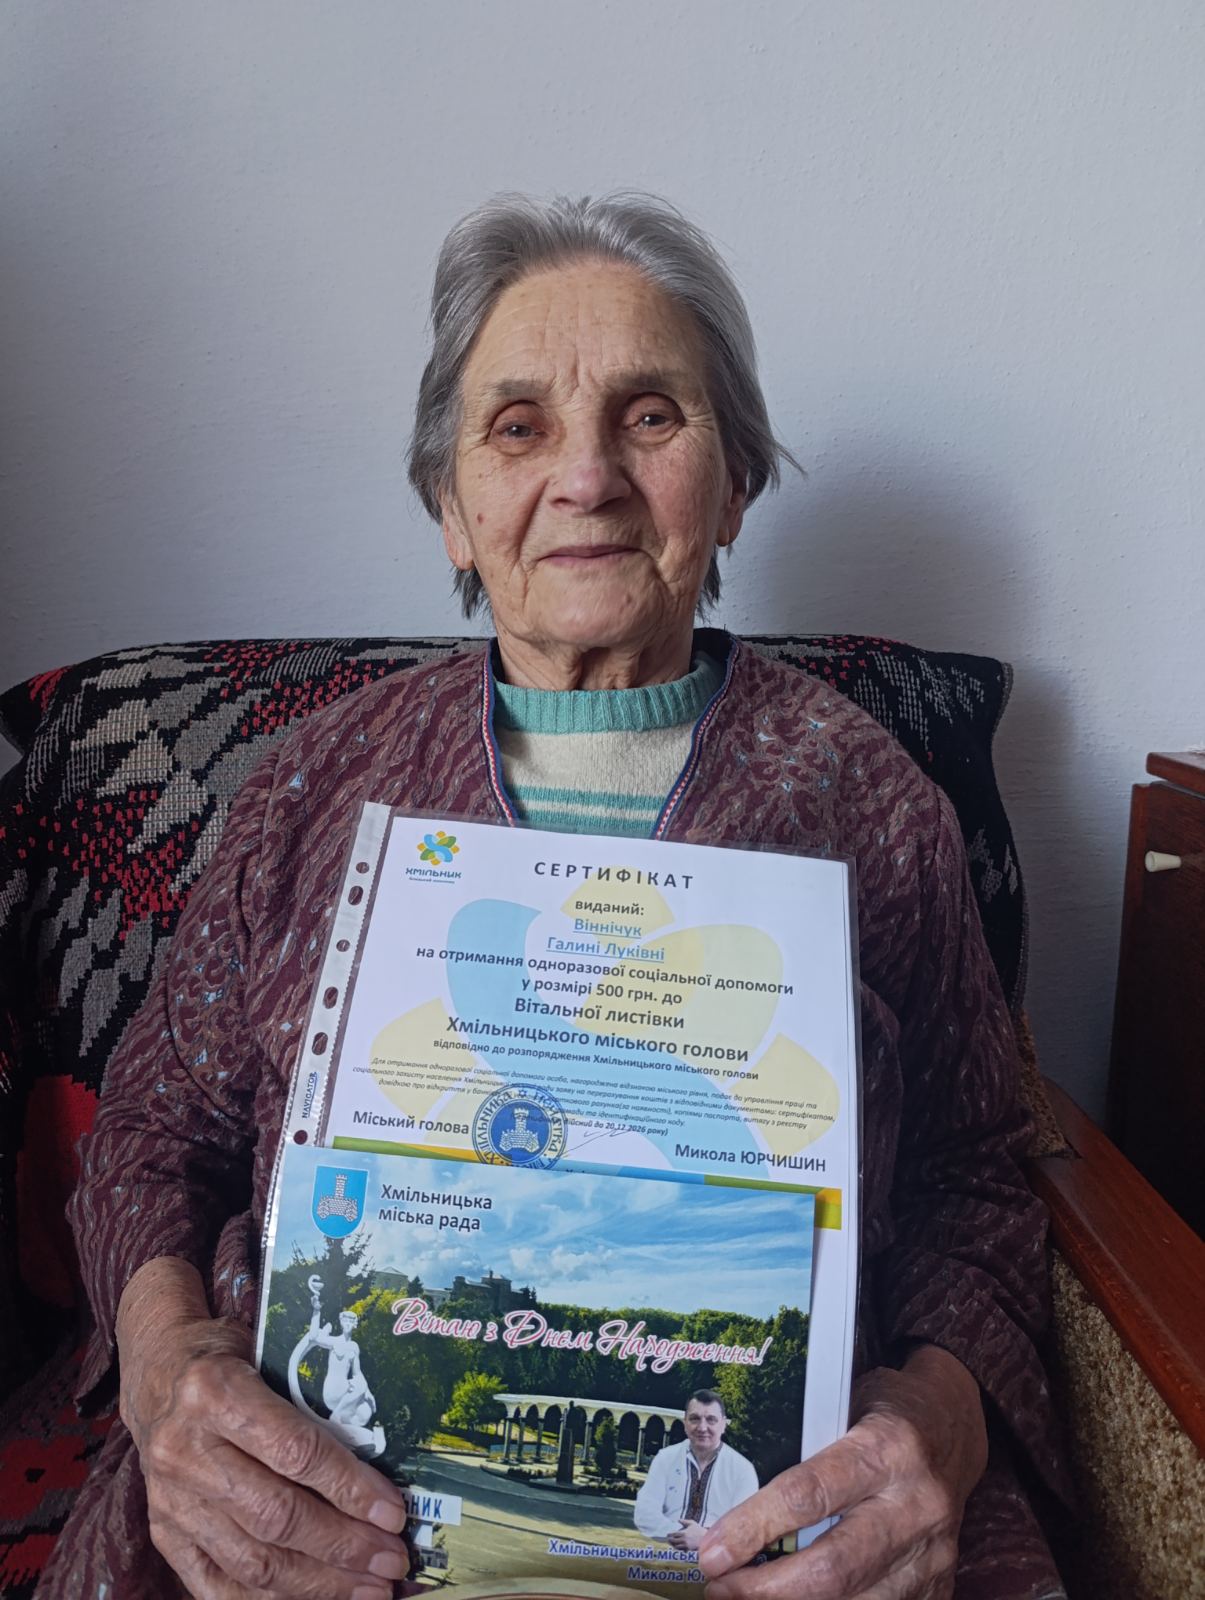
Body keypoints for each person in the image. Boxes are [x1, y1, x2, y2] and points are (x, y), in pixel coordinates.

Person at [38, 193, 1068, 1600]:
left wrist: (939, 1421)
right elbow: (153, 1135)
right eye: (518, 427)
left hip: (777, 1541)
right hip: (310, 1527)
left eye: (649, 416)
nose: (586, 476)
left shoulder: (868, 799)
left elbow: (974, 1185)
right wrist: (166, 1375)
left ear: (733, 487)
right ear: (452, 512)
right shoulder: (308, 787)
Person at [633, 1391, 758, 1550]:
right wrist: (684, 1534)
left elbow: (746, 1529)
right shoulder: (665, 1458)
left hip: (718, 1561)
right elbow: (644, 1515)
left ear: (723, 1425)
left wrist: (705, 1538)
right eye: (695, 1419)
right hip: (665, 1559)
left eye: (711, 1420)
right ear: (685, 1423)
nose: (702, 1427)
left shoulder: (742, 1470)